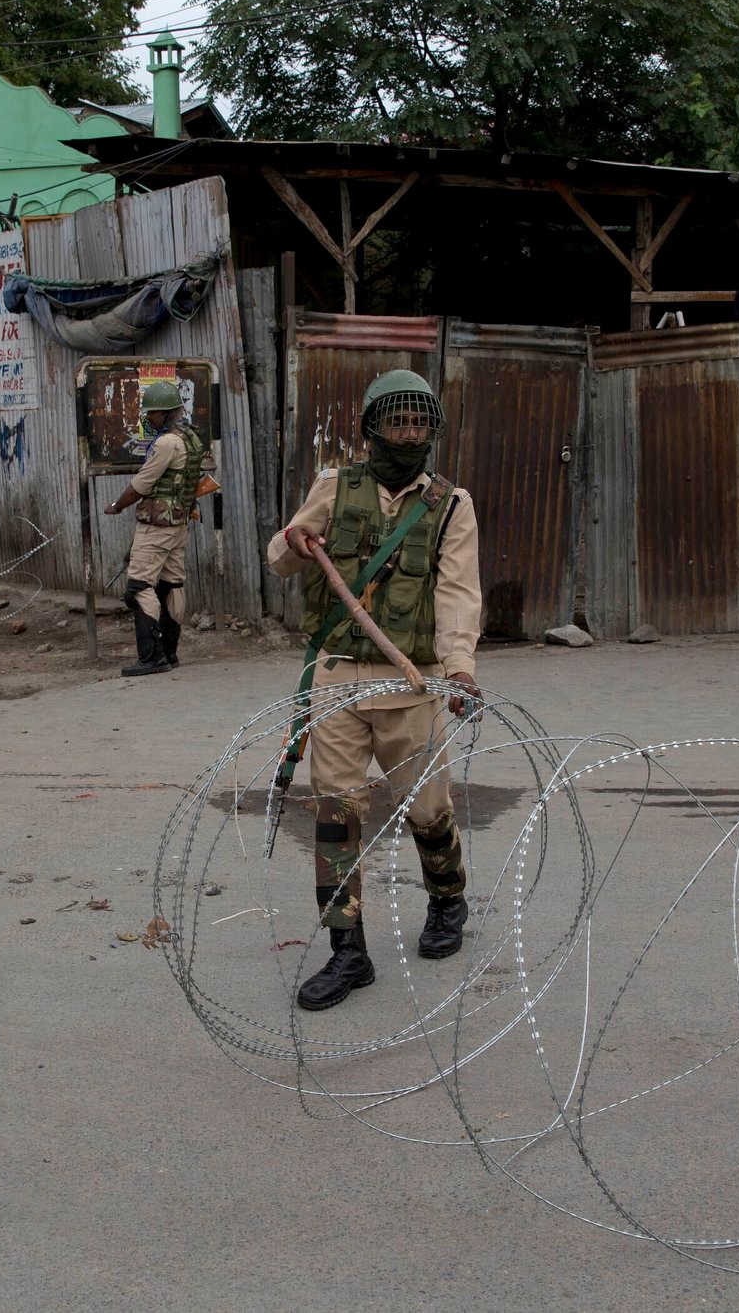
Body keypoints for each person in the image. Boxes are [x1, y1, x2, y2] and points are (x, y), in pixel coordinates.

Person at [265, 369, 483, 1011]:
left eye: (419, 423)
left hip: (411, 683)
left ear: (431, 430)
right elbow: (280, 559)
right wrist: (295, 540)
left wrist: (460, 669)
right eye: (398, 421)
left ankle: (447, 901)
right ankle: (348, 951)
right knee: (336, 816)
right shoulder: (335, 487)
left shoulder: (451, 504)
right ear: (373, 427)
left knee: (428, 809)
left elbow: (457, 592)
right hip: (336, 681)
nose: (409, 434)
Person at [104, 381, 206, 677]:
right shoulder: (189, 438)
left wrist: (117, 506)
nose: (148, 418)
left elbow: (141, 485)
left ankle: (152, 657)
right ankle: (170, 653)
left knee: (139, 586)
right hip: (178, 523)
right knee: (172, 583)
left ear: (165, 413)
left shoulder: (166, 444)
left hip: (158, 525)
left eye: (152, 414)